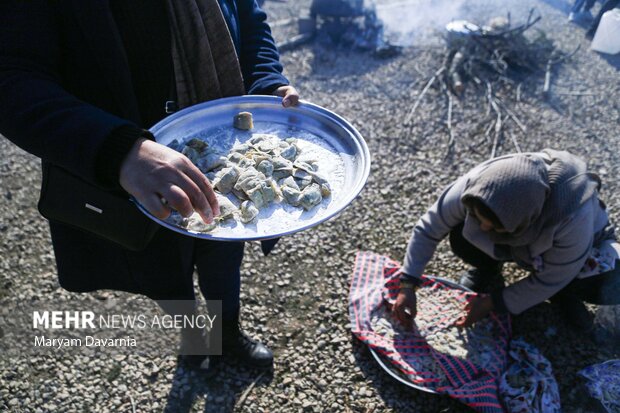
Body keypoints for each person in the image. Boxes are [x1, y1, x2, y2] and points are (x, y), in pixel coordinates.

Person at [0, 0, 299, 370]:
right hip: (131, 185)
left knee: (223, 259)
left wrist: (266, 79)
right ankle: (191, 340)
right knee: (162, 270)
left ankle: (227, 336)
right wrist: (119, 151)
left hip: (224, 157)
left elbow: (249, 16)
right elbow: (12, 79)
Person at [392, 149, 620, 332]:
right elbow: (428, 228)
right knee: (462, 233)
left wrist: (491, 303)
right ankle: (488, 270)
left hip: (581, 248)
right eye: (481, 220)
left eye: (493, 225)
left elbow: (553, 277)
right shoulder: (478, 185)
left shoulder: (572, 216)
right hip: (524, 242)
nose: (483, 228)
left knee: (610, 280)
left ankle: (567, 293)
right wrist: (408, 284)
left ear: (523, 222)